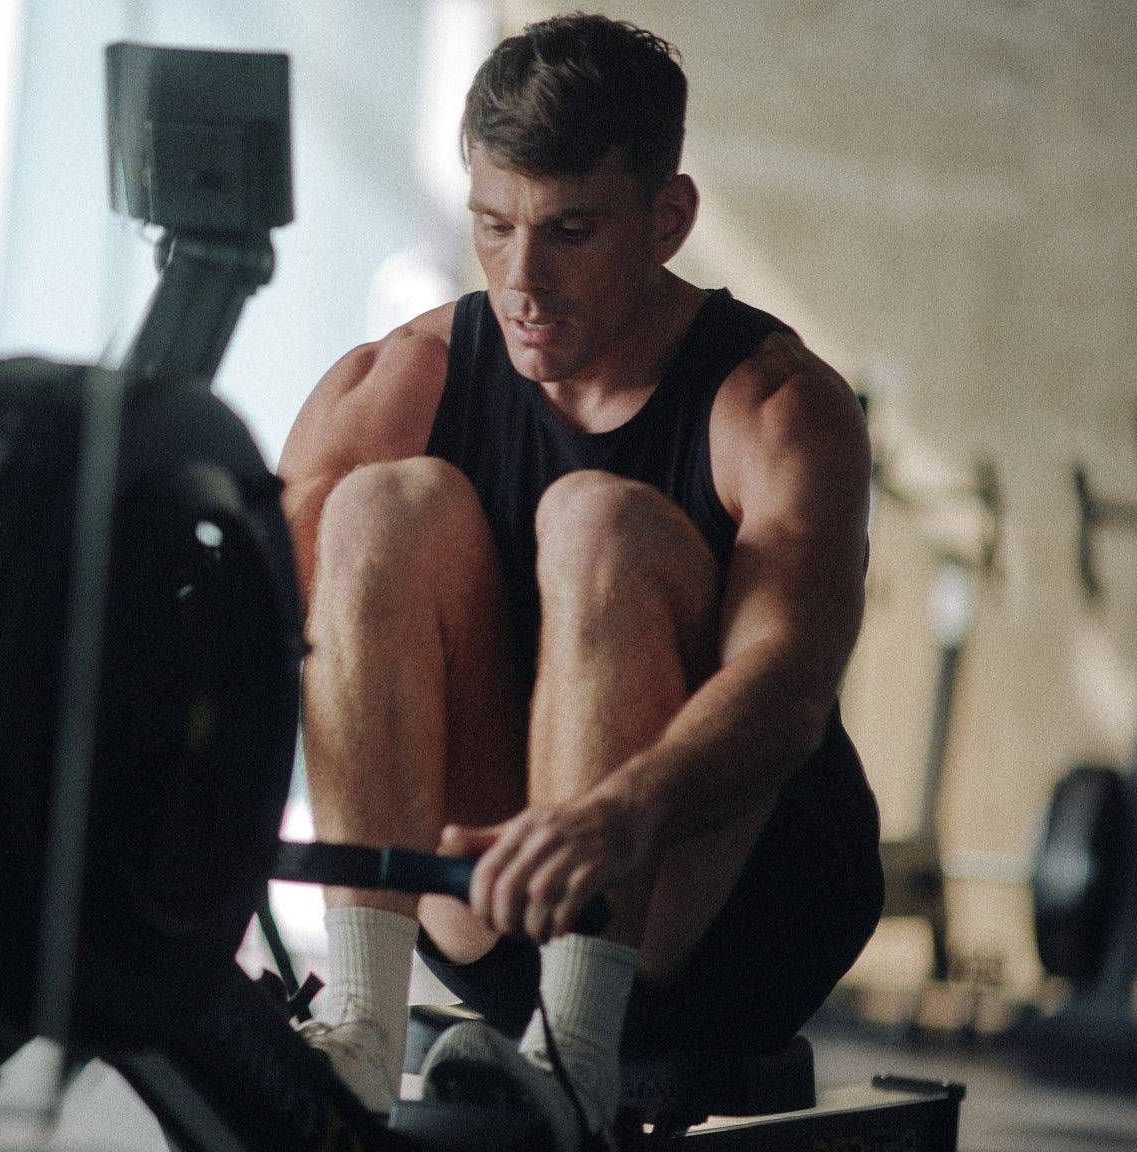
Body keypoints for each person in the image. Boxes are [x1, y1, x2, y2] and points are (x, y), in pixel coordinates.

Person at [276, 14, 884, 1147]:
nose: (522, 280)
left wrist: (617, 817)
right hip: (493, 901)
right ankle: (358, 1021)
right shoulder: (396, 384)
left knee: (597, 522)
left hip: (726, 912)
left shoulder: (773, 406)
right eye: (493, 227)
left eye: (569, 232)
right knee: (376, 508)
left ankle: (574, 1056)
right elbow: (253, 637)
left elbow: (788, 687)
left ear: (668, 220)